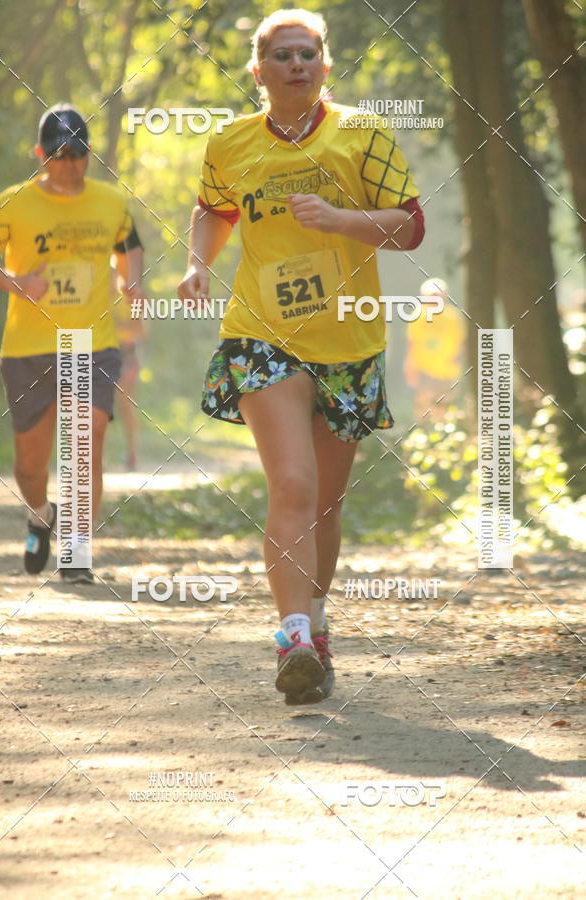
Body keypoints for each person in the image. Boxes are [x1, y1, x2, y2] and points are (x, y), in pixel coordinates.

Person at [177, 8, 424, 704]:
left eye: (307, 54)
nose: (296, 65)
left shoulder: (362, 133)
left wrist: (340, 219)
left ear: (324, 66)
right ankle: (290, 637)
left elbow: (410, 226)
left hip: (348, 339)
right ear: (258, 71)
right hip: (262, 335)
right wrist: (198, 266)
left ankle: (315, 622)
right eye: (282, 56)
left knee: (325, 503)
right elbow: (212, 208)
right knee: (292, 483)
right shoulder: (230, 142)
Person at [0, 103, 142, 585]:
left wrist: (131, 283)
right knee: (30, 467)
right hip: (27, 346)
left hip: (91, 341)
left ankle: (76, 551)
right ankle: (40, 513)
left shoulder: (111, 202)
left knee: (84, 443)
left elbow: (129, 247)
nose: (69, 162)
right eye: (58, 153)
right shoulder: (12, 203)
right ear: (40, 154)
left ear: (89, 154)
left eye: (77, 152)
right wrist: (16, 282)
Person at [404, 278, 465, 420]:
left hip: (447, 372)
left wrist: (457, 361)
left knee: (446, 407)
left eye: (438, 296)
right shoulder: (418, 315)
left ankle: (444, 434)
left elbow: (461, 342)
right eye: (431, 297)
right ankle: (424, 434)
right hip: (424, 371)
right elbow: (411, 344)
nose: (435, 300)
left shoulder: (453, 316)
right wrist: (409, 368)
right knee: (424, 408)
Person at [111, 230, 146, 471]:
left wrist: (117, 327)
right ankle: (94, 457)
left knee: (125, 403)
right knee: (96, 404)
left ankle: (132, 453)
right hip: (102, 350)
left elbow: (142, 329)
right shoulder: (99, 291)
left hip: (127, 352)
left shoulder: (135, 293)